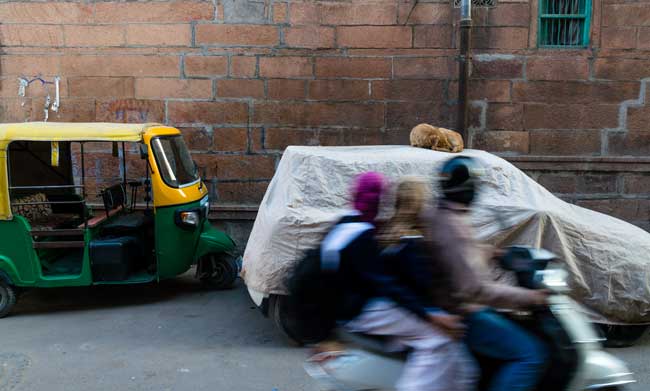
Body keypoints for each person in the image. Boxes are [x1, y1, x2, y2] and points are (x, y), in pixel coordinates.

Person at [328, 171, 476, 391]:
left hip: (363, 311)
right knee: (441, 341)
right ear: (421, 203)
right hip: (374, 310)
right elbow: (396, 285)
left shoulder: (379, 232)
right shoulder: (410, 242)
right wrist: (432, 313)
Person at [423, 156, 549, 391]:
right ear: (468, 188)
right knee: (531, 354)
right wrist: (531, 298)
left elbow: (456, 257)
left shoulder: (439, 214)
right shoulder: (452, 226)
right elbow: (475, 289)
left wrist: (493, 253)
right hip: (466, 313)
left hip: (452, 304)